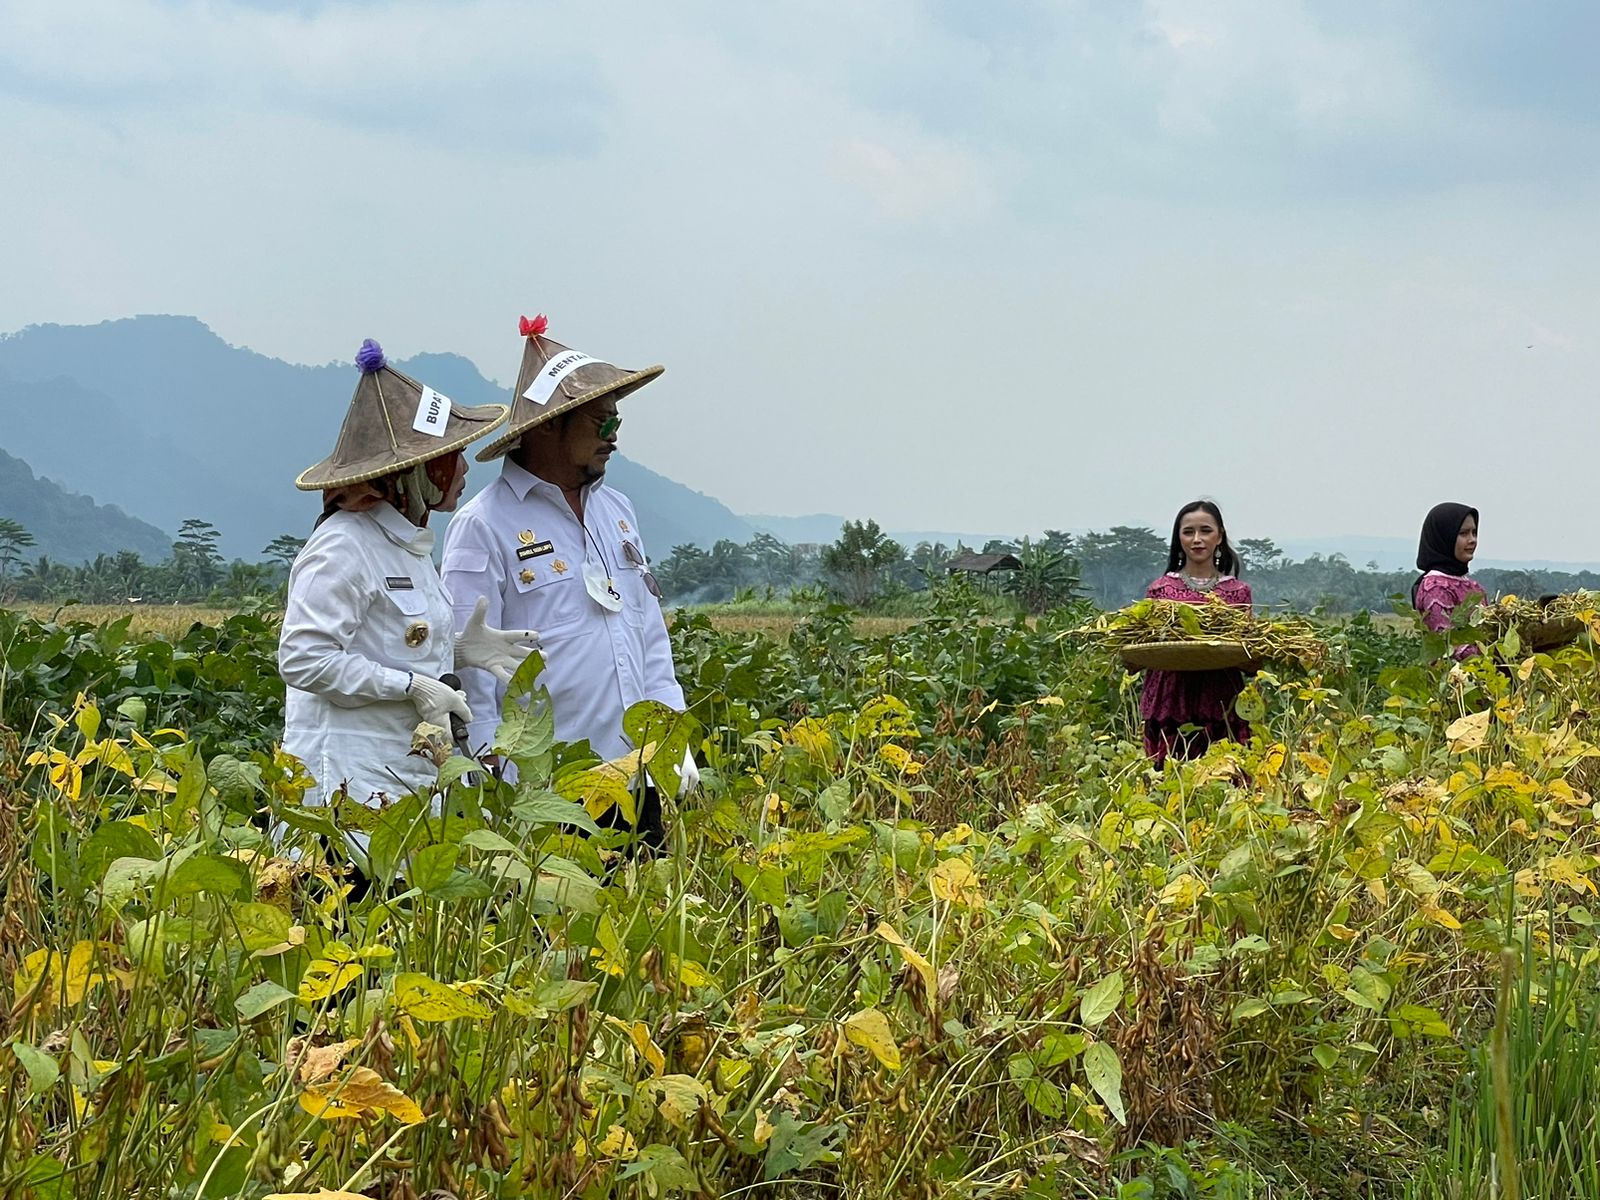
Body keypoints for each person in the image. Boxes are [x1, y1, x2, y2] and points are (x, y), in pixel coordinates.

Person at [441, 314, 695, 851]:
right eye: (601, 421)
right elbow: (469, 662)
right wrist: (490, 775)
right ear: (550, 425)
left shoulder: (617, 511)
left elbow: (648, 635)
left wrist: (674, 737)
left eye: (616, 420)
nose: (614, 436)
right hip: (543, 786)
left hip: (633, 776)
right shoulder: (483, 525)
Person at [279, 338, 538, 863]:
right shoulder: (343, 546)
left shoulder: (408, 544)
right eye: (451, 458)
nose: (463, 470)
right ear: (413, 472)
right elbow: (303, 658)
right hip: (347, 786)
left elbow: (388, 642)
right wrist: (410, 684)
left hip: (406, 778)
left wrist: (455, 653)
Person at [1140, 500, 1253, 767]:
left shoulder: (1237, 593)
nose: (1197, 539)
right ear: (1178, 538)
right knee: (1170, 783)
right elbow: (1148, 646)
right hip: (1170, 699)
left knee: (1226, 782)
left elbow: (1249, 653)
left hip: (1221, 698)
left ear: (1220, 536)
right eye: (1188, 532)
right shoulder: (1160, 591)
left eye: (1206, 531)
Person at [1411, 502, 1484, 659]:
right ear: (1444, 538)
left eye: (1474, 533)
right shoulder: (1435, 588)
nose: (1472, 540)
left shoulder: (1474, 587)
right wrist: (1491, 653)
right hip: (1452, 679)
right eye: (1463, 534)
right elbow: (1448, 645)